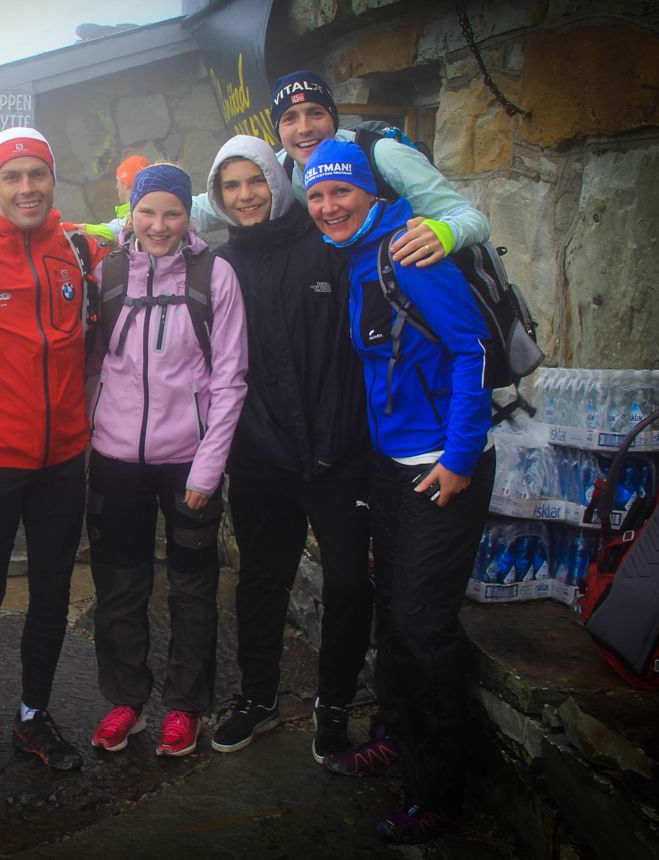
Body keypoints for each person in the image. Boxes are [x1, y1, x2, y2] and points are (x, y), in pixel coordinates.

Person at [304, 139, 496, 844]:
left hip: (440, 472)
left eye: (341, 193)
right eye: (318, 196)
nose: (329, 207)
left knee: (421, 629)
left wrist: (461, 458)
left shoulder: (410, 252)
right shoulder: (356, 257)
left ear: (371, 193)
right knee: (396, 617)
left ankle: (439, 794)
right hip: (391, 469)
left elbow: (471, 350)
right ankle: (397, 739)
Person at [0, 127, 104, 792]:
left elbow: (166, 231)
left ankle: (33, 714)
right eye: (13, 177)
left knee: (53, 595)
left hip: (63, 459)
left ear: (51, 179)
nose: (27, 187)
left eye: (38, 174)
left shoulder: (79, 248)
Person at [202, 135, 372, 762]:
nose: (246, 195)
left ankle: (333, 704)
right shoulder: (221, 265)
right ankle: (259, 698)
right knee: (261, 582)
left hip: (336, 451)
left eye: (256, 181)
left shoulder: (328, 248)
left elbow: (356, 349)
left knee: (352, 583)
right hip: (260, 455)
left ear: (277, 181)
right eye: (231, 186)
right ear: (218, 197)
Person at [85, 164, 247, 757]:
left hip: (189, 463)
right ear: (130, 214)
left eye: (172, 213)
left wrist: (208, 469)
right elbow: (89, 364)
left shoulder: (214, 274)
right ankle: (125, 701)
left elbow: (231, 381)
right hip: (115, 460)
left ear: (189, 216)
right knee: (120, 587)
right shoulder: (107, 273)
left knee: (191, 588)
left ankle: (185, 706)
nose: (158, 225)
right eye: (147, 212)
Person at [190, 70, 490, 268]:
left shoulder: (381, 154)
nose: (304, 128)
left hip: (412, 293)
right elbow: (210, 204)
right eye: (290, 118)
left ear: (333, 118)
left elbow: (472, 218)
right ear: (278, 130)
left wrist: (445, 233)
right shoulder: (280, 169)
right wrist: (149, 209)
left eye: (315, 113)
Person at [80, 154, 150, 245]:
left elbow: (115, 230)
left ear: (125, 184)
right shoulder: (152, 210)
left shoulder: (133, 218)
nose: (116, 187)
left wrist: (80, 229)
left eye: (118, 181)